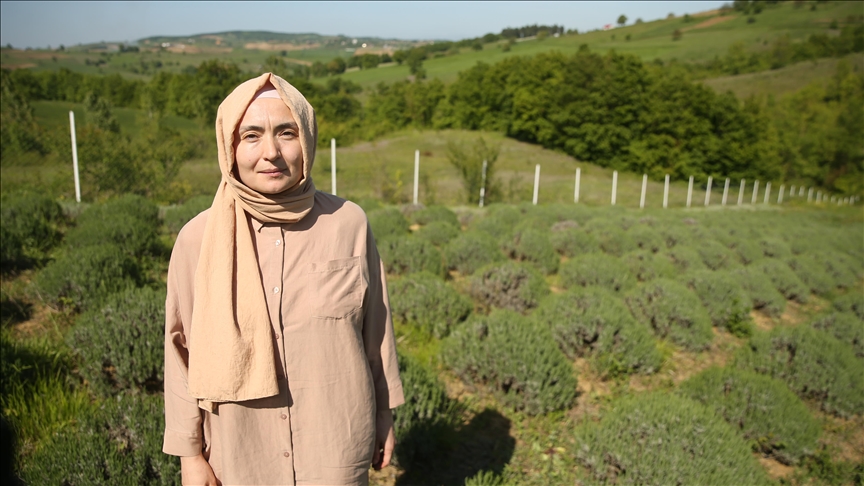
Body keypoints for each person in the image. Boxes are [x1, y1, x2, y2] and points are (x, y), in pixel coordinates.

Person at [162, 72, 404, 486]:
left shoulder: (348, 224)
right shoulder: (197, 240)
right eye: (251, 135)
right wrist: (190, 455)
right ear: (229, 146)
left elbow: (375, 332)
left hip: (334, 446)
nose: (270, 152)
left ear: (306, 139)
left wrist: (383, 414)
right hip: (240, 453)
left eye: (286, 132)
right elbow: (180, 352)